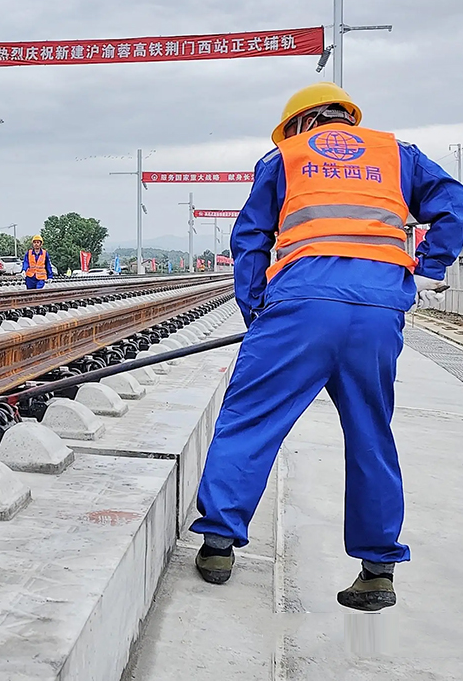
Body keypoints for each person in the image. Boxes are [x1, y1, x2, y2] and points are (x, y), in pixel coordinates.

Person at [190, 83, 463, 611]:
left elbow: (250, 241)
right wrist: (428, 269)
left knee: (251, 417)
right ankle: (378, 568)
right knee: (371, 431)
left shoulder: (285, 157)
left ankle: (220, 544)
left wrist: (257, 313)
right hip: (379, 314)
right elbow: (455, 205)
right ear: (348, 120)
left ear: (298, 125)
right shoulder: (397, 154)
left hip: (301, 307)